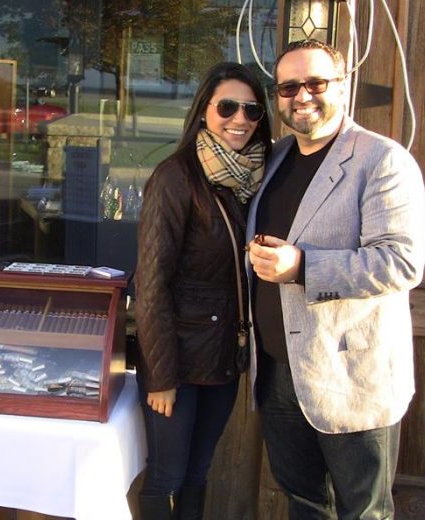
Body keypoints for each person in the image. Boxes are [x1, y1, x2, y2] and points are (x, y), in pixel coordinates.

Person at [246, 39, 425, 519]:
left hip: (350, 377)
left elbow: (401, 261)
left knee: (363, 511)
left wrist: (302, 267)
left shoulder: (381, 161)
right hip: (278, 371)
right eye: (288, 86)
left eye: (315, 82)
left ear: (342, 86)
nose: (301, 95)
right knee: (304, 503)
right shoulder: (276, 158)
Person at [135, 62, 272, 520]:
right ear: (203, 112)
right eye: (227, 107)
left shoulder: (253, 181)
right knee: (167, 474)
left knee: (198, 472)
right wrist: (162, 376)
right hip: (178, 362)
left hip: (224, 358)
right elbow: (151, 283)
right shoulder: (176, 177)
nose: (240, 119)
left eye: (251, 110)